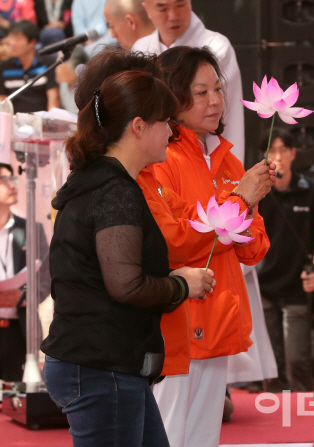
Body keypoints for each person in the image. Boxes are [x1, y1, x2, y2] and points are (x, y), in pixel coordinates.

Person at [41, 69, 215, 446]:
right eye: (165, 122)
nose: (172, 131)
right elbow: (125, 284)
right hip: (101, 365)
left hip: (101, 363)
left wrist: (174, 277)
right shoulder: (115, 190)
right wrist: (181, 285)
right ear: (138, 126)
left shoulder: (97, 180)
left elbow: (112, 274)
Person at [154, 46, 274, 447]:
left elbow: (252, 250)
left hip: (219, 316)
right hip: (180, 323)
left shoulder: (226, 159)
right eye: (200, 91)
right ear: (172, 99)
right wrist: (240, 200)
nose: (214, 101)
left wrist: (250, 200)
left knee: (202, 438)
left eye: (217, 89)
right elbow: (180, 243)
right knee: (169, 433)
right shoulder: (162, 159)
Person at [256, 128, 314, 393]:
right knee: (270, 364)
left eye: (283, 150)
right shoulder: (256, 194)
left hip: (296, 287)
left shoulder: (311, 190)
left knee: (297, 360)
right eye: (272, 150)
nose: (278, 156)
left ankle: (306, 418)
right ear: (264, 155)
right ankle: (272, 418)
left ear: (293, 154)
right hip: (263, 285)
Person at [132, 0, 244, 163]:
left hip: (210, 156)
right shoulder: (140, 49)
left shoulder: (216, 46)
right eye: (162, 8)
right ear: (147, 9)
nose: (173, 16)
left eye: (180, 5)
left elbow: (229, 117)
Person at [0, 163, 50, 384]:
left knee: (16, 402)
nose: (13, 186)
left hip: (19, 331)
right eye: (4, 180)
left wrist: (22, 297)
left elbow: (47, 276)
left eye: (13, 179)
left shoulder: (32, 229)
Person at [0, 20, 59, 112]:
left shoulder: (49, 63)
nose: (12, 44)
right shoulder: (4, 67)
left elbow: (53, 101)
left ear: (32, 42)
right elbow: (3, 102)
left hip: (41, 121)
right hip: (14, 122)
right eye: (11, 38)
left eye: (18, 39)